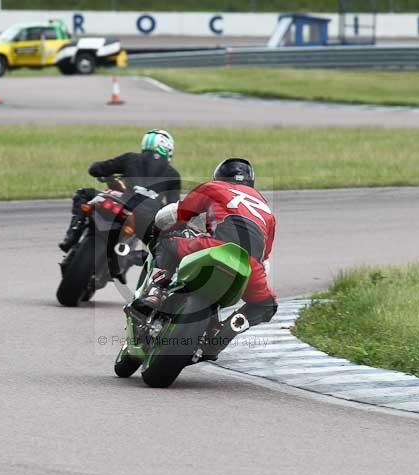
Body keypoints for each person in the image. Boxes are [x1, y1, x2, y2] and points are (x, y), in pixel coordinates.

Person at [144, 157, 278, 359]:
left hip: (215, 248)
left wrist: (157, 227)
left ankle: (157, 291)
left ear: (219, 176)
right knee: (267, 305)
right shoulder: (266, 209)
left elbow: (178, 213)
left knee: (168, 243)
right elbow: (265, 259)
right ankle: (226, 331)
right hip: (249, 266)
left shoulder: (212, 187)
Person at [59, 129, 181, 252]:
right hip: (147, 220)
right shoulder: (173, 174)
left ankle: (71, 236)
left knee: (83, 194)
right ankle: (141, 258)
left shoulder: (130, 158)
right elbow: (172, 206)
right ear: (167, 148)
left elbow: (95, 169)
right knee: (160, 251)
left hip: (124, 205)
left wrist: (99, 171)